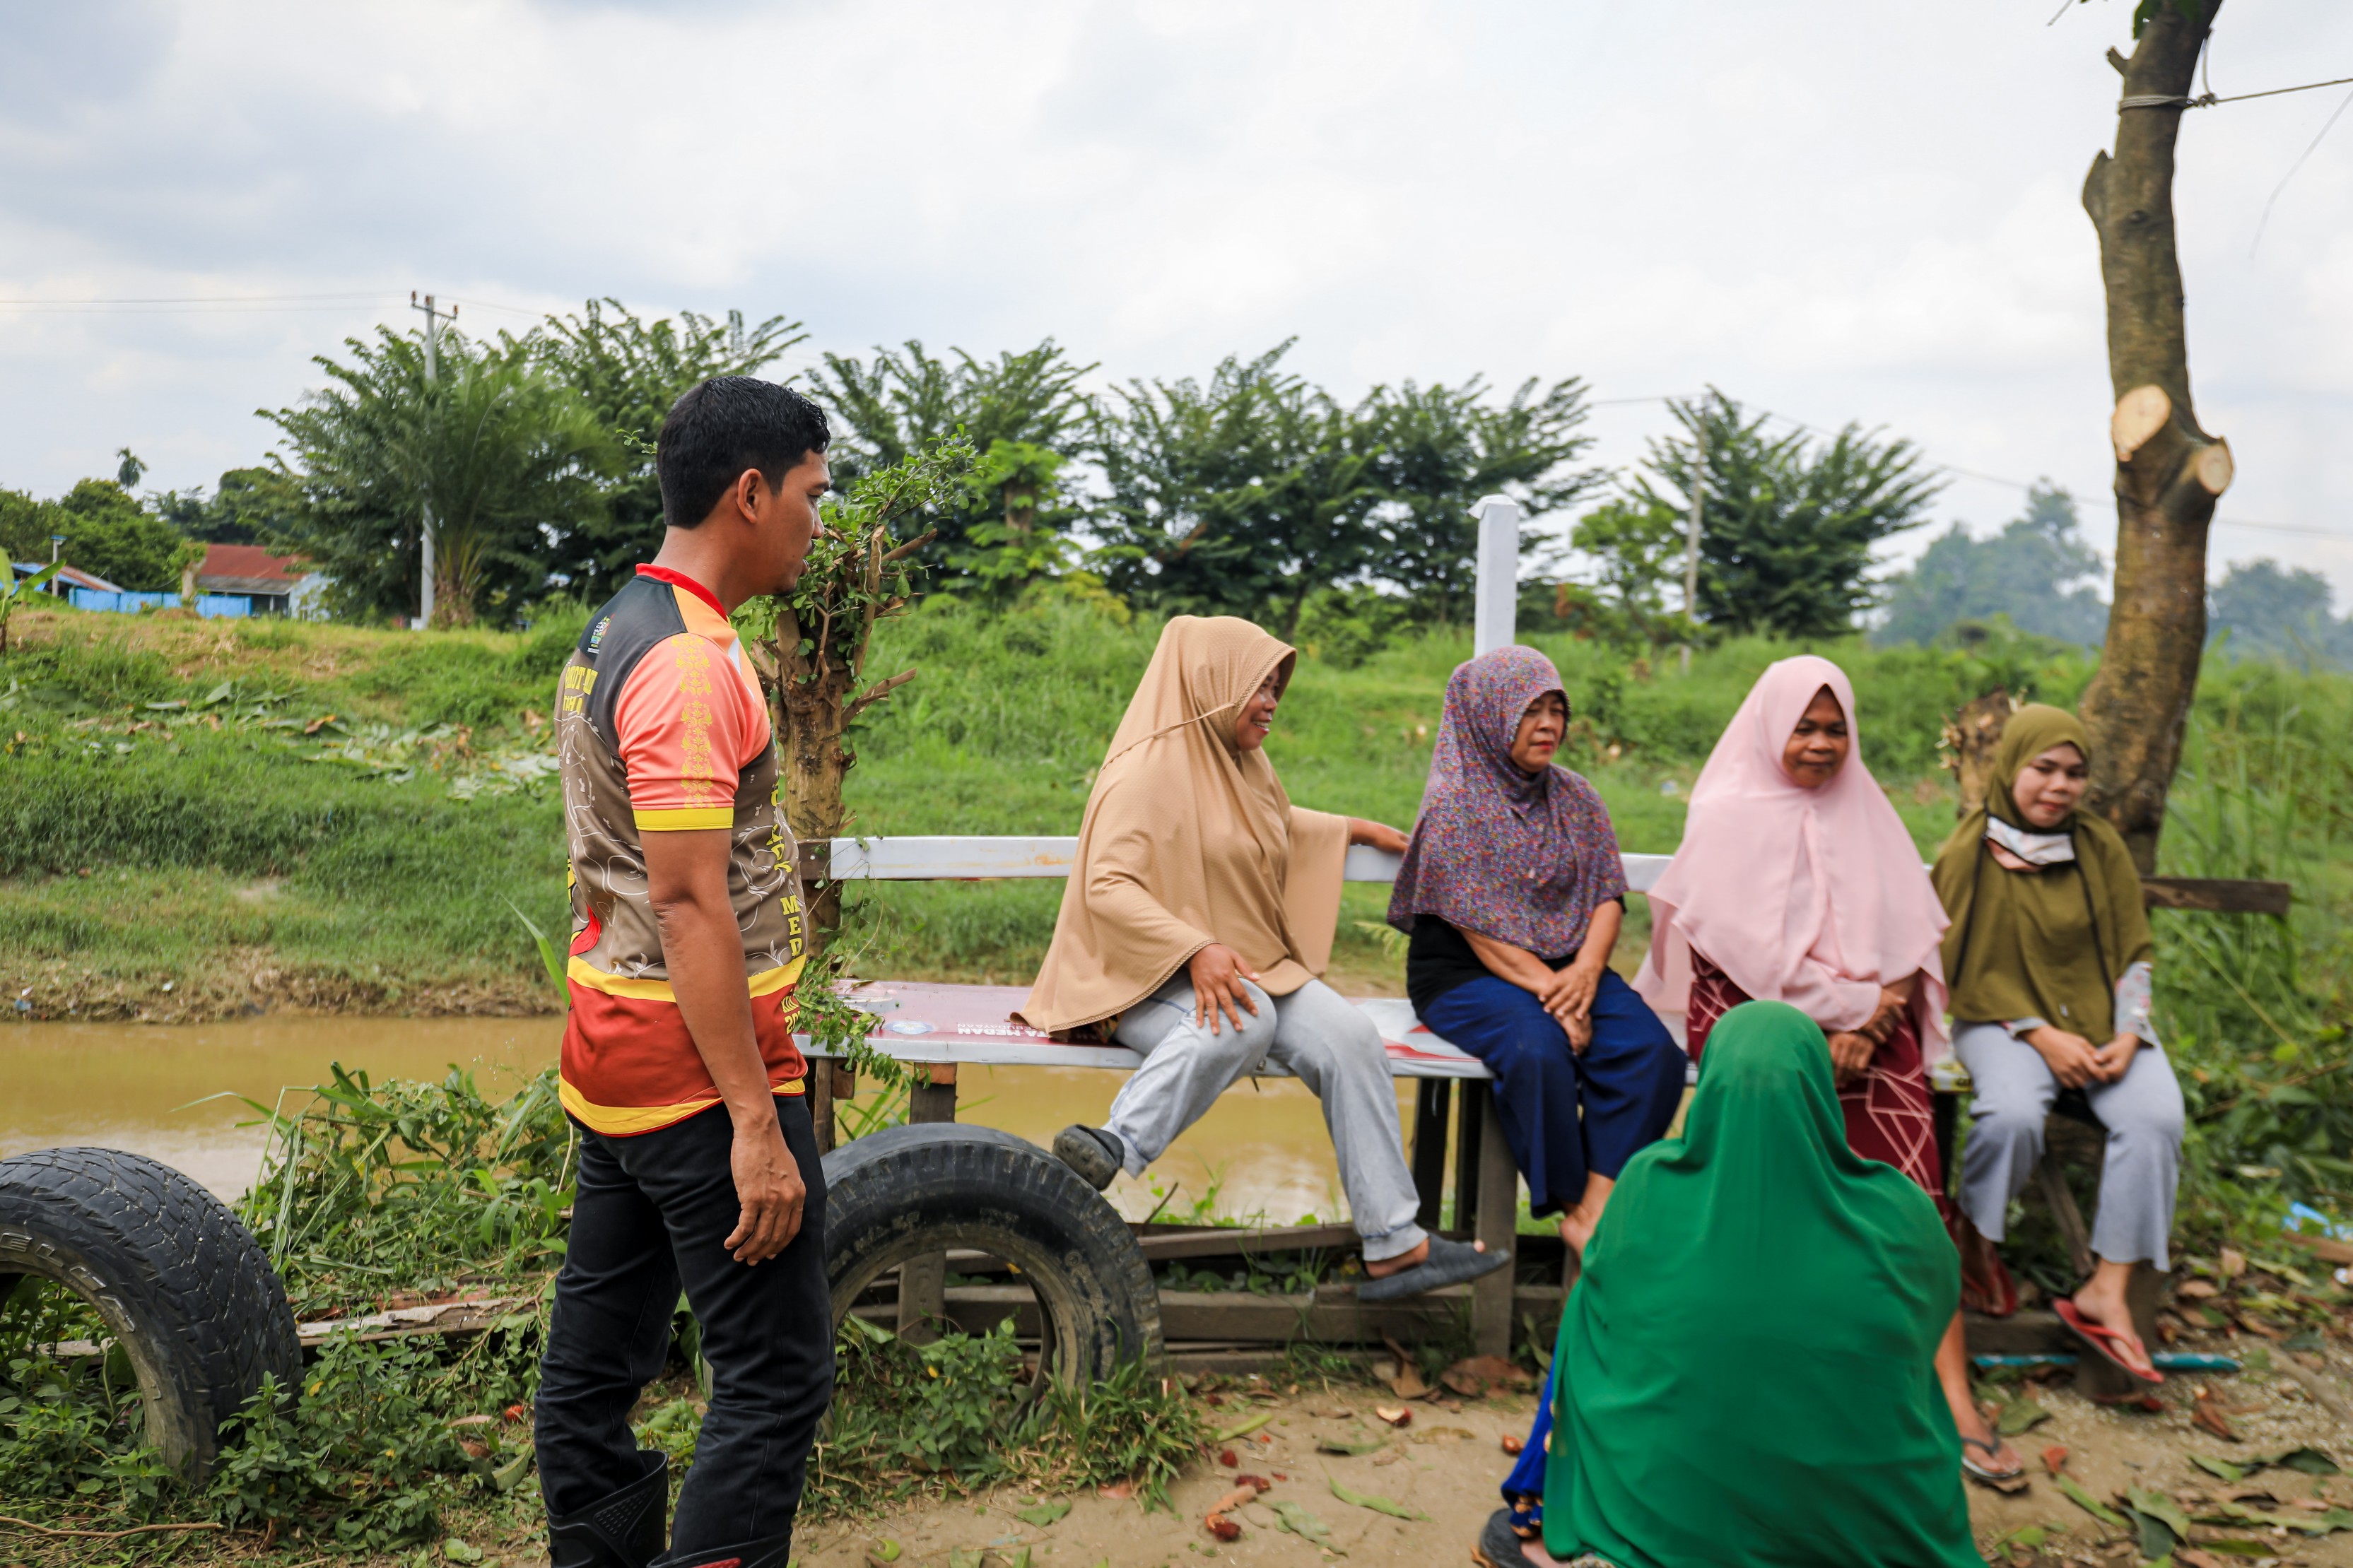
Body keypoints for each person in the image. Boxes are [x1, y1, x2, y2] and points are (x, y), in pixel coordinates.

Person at [535, 378, 835, 1568]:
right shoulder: (695, 666)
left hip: (614, 1062)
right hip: (703, 1079)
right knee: (773, 1378)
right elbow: (685, 896)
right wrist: (756, 1118)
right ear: (749, 492)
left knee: (593, 1368)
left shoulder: (615, 628)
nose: (820, 518)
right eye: (811, 493)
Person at [1025, 615, 1509, 1301]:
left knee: (1348, 1037)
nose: (1272, 700)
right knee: (1244, 1019)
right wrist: (1196, 947)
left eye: (1276, 686)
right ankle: (1111, 1146)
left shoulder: (1244, 763)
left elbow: (1272, 821)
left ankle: (1393, 1244)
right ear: (1213, 682)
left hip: (1238, 966)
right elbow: (1106, 887)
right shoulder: (1143, 772)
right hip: (1138, 977)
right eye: (1259, 684)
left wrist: (1350, 830)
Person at [1630, 655, 2020, 1486]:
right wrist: (1843, 1011)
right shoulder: (1726, 811)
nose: (1818, 743)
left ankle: (1950, 1396)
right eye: (1802, 726)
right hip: (1755, 1022)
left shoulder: (1865, 811)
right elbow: (1732, 956)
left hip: (1869, 1032)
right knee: (1768, 1189)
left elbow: (1912, 938)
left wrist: (1875, 1015)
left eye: (1833, 726)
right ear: (1771, 726)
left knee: (1911, 1202)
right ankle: (1766, 1380)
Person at [1474, 1001, 1985, 1568]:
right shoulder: (1898, 1208)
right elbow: (1934, 1307)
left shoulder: (1648, 1182)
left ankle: (1554, 1528)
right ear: (1819, 1088)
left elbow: (1609, 1289)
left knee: (1585, 1318)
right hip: (1867, 1525)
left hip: (1669, 1514)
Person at [1389, 647, 1684, 1258]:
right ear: (1490, 715)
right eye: (1530, 711)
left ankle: (1597, 1203)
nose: (1548, 724)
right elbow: (1481, 932)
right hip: (1467, 972)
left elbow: (1607, 894)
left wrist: (1584, 974)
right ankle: (1573, 1206)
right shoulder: (1454, 805)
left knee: (1651, 1053)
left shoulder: (1576, 798)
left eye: (1556, 710)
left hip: (1572, 966)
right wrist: (1560, 1000)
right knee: (1537, 1049)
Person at [1933, 704, 2181, 1386]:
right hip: (1998, 1021)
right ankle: (1977, 1244)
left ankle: (2107, 1286)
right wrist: (2038, 1035)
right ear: (2013, 766)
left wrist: (2130, 1034)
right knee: (2010, 1114)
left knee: (2156, 1118)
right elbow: (1954, 967)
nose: (2059, 786)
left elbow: (2134, 951)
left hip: (2105, 1027)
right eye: (2043, 768)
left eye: (2074, 773)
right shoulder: (1968, 852)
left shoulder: (2097, 846)